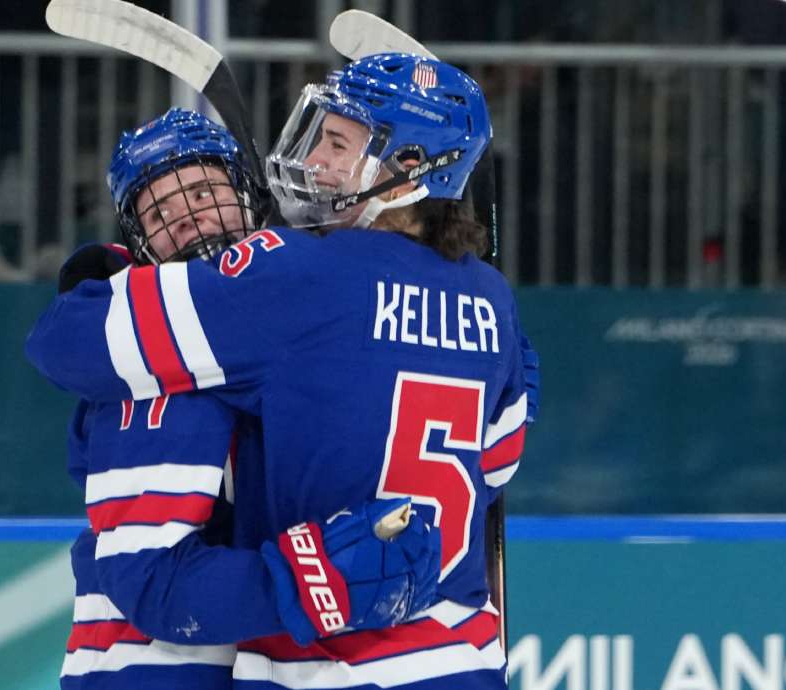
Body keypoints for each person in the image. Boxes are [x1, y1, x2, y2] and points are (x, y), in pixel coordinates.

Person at [30, 55, 528, 689]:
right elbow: (500, 461)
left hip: (331, 670)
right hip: (465, 661)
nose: (314, 159)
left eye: (337, 142)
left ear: (406, 170)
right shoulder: (492, 300)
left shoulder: (295, 275)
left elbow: (64, 343)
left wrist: (109, 281)